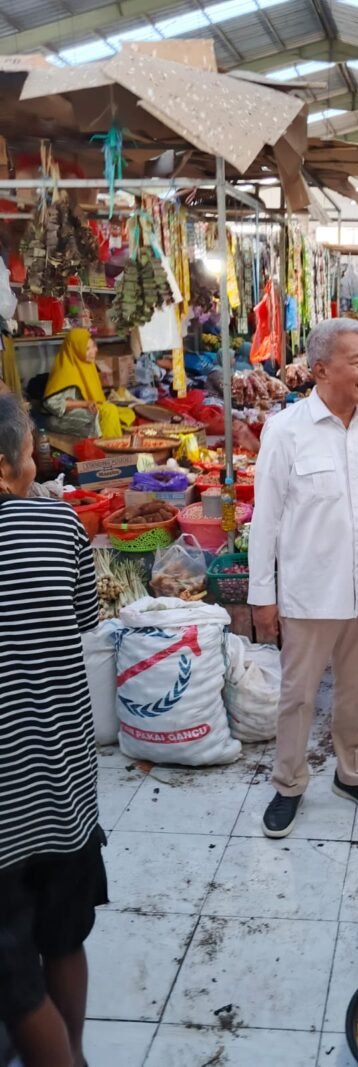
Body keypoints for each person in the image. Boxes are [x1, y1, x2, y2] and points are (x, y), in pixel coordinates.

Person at [248, 319, 358, 838]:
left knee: (355, 689)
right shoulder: (287, 431)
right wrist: (262, 597)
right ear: (321, 369)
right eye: (357, 361)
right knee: (297, 694)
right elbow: (266, 521)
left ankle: (352, 772)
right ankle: (289, 782)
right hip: (308, 592)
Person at [0, 394, 107, 1067]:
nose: (38, 452)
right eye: (33, 440)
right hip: (63, 788)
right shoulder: (59, 526)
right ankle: (75, 1054)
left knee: (14, 983)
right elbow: (83, 624)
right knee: (63, 940)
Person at [42, 328, 135, 439]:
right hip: (61, 417)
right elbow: (52, 404)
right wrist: (84, 404)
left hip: (86, 408)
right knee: (108, 413)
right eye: (87, 349)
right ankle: (110, 447)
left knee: (125, 412)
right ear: (75, 350)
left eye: (93, 346)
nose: (94, 350)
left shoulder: (87, 365)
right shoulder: (65, 370)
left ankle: (114, 443)